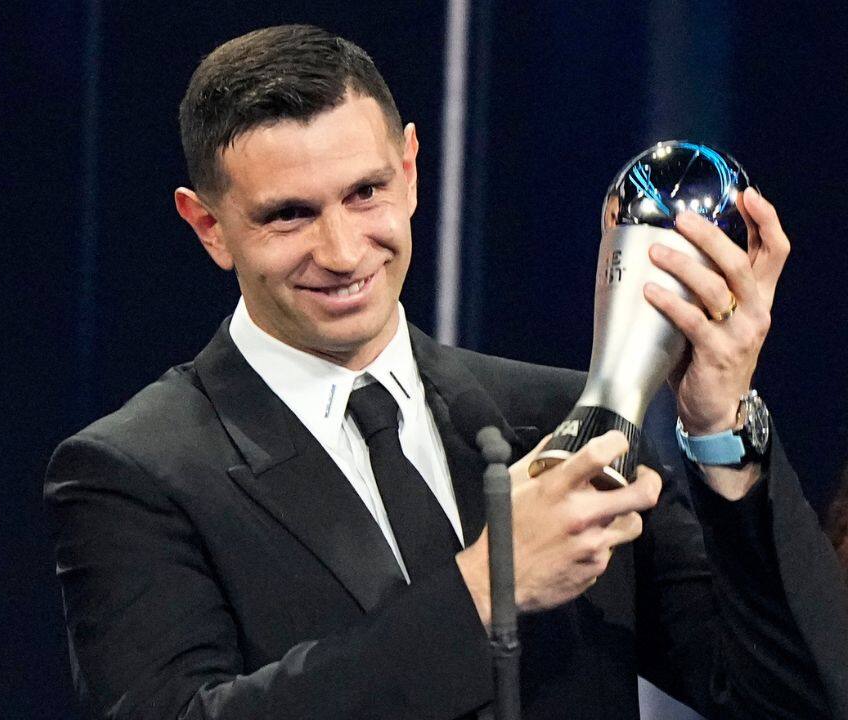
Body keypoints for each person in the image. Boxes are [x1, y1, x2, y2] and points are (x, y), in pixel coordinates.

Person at [45, 24, 848, 720]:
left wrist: (720, 429)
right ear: (209, 226)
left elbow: (795, 700)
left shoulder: (561, 417)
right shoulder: (133, 470)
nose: (343, 250)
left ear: (413, 169)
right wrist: (486, 588)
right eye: (289, 214)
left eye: (366, 192)